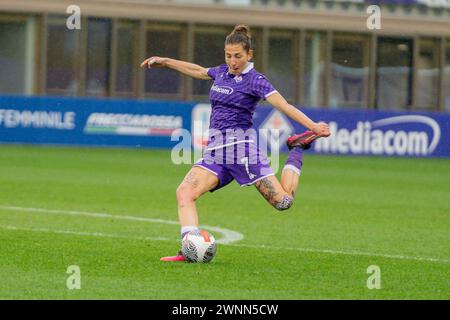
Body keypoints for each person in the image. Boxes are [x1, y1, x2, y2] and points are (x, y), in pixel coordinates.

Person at [140, 24, 330, 262]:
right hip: (216, 153)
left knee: (283, 202)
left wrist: (313, 127)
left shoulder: (256, 80)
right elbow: (198, 70)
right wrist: (166, 61)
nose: (232, 61)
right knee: (185, 192)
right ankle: (188, 249)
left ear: (249, 54)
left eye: (238, 56)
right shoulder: (221, 73)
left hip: (242, 152)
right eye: (228, 56)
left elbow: (285, 106)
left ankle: (297, 149)